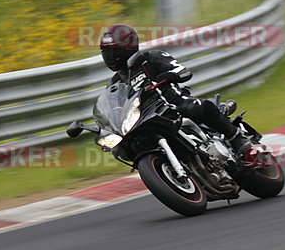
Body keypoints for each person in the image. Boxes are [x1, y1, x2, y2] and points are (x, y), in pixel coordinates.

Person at [99, 23, 253, 155]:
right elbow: (114, 107)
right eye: (107, 52)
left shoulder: (151, 58)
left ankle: (235, 136)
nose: (111, 56)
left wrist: (171, 75)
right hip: (144, 118)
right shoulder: (115, 83)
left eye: (114, 51)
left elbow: (182, 71)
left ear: (128, 47)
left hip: (174, 103)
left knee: (197, 107)